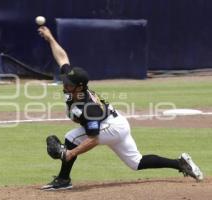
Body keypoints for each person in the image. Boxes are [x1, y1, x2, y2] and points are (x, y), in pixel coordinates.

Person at [37, 26, 203, 191]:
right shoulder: (75, 89)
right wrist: (50, 38)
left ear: (79, 87)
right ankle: (179, 163)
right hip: (118, 123)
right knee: (136, 163)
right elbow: (63, 58)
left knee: (71, 138)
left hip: (111, 127)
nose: (65, 84)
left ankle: (63, 179)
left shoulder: (88, 108)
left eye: (69, 83)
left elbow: (93, 139)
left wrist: (71, 153)